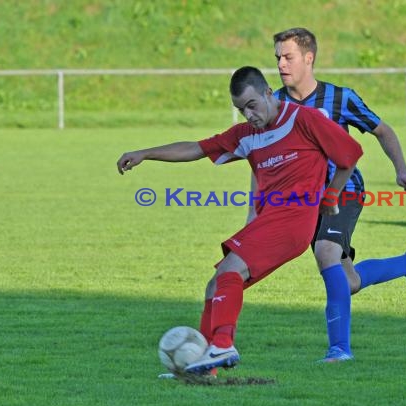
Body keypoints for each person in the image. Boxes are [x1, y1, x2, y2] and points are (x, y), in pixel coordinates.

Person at [116, 66, 363, 374]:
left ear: (268, 93)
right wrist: (145, 153)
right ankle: (204, 365)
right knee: (216, 285)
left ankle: (223, 344)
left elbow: (350, 154)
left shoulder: (304, 119)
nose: (248, 114)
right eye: (241, 109)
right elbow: (196, 148)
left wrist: (331, 195)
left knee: (231, 270)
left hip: (293, 220)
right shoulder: (245, 135)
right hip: (269, 220)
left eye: (252, 105)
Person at [253, 27, 406, 362]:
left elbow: (382, 130)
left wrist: (402, 169)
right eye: (277, 57)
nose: (280, 63)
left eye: (287, 56)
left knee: (326, 252)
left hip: (344, 191)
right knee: (347, 282)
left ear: (309, 58)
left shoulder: (341, 98)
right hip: (305, 201)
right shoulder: (274, 104)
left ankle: (339, 351)